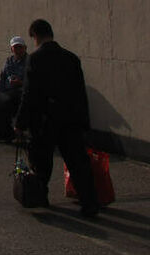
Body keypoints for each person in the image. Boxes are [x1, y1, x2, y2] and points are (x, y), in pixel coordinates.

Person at [14, 19, 99, 217]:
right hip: (70, 119)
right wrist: (84, 121)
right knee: (77, 163)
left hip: (45, 120)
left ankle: (40, 196)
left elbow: (29, 94)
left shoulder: (35, 59)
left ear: (35, 36)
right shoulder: (71, 58)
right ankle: (90, 203)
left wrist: (20, 122)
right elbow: (80, 93)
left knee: (41, 162)